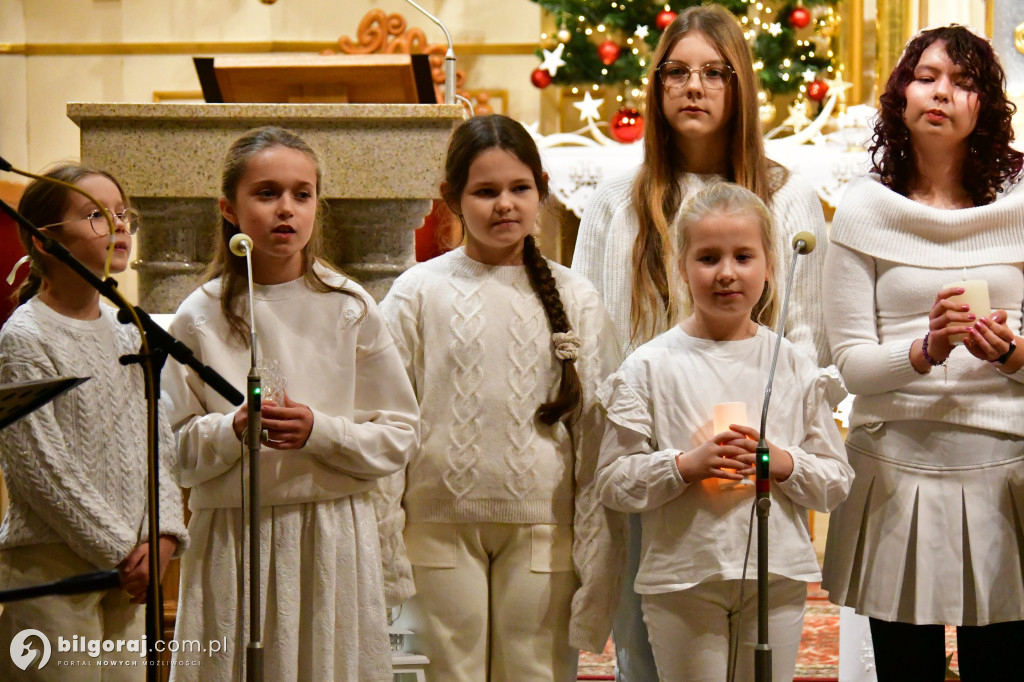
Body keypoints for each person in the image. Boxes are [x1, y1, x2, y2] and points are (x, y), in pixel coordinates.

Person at [570, 6, 837, 677]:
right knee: (649, 642)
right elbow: (590, 329)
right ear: (657, 87)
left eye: (714, 73)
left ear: (739, 85)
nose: (694, 87)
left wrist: (782, 451)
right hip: (654, 456)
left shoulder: (787, 196)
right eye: (677, 73)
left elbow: (805, 335)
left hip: (754, 462)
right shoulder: (615, 199)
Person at [162, 126, 419, 681]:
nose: (286, 209)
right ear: (229, 209)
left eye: (302, 195)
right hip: (234, 535)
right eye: (267, 193)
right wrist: (230, 429)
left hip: (330, 530)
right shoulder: (199, 315)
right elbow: (173, 452)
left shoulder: (349, 306)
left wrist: (320, 431)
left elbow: (399, 433)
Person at [376, 114, 624, 681]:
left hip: (543, 530)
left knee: (535, 673)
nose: (504, 204)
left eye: (519, 189)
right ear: (452, 198)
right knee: (447, 674)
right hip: (436, 527)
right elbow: (388, 419)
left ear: (541, 189)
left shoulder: (575, 298)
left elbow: (596, 435)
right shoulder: (417, 292)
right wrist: (386, 537)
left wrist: (596, 552)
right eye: (485, 191)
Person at [821, 25, 1024, 682]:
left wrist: (1013, 355)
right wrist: (926, 349)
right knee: (906, 672)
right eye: (928, 75)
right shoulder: (863, 207)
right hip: (898, 471)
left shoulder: (1021, 205)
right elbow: (851, 363)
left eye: (964, 83)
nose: (943, 93)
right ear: (902, 93)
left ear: (985, 107)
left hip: (1007, 472)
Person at [596, 181, 852, 682]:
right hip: (683, 577)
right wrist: (684, 466)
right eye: (709, 258)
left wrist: (781, 461)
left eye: (743, 256)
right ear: (683, 266)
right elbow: (612, 480)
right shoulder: (649, 366)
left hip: (773, 573)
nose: (727, 274)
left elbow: (836, 482)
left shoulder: (792, 363)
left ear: (769, 267)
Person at [0, 163, 187, 679]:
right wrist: (124, 551)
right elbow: (41, 471)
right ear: (44, 241)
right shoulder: (26, 337)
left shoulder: (129, 329)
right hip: (54, 567)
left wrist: (164, 534)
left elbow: (158, 441)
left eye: (123, 214)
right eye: (97, 216)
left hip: (129, 573)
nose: (120, 226)